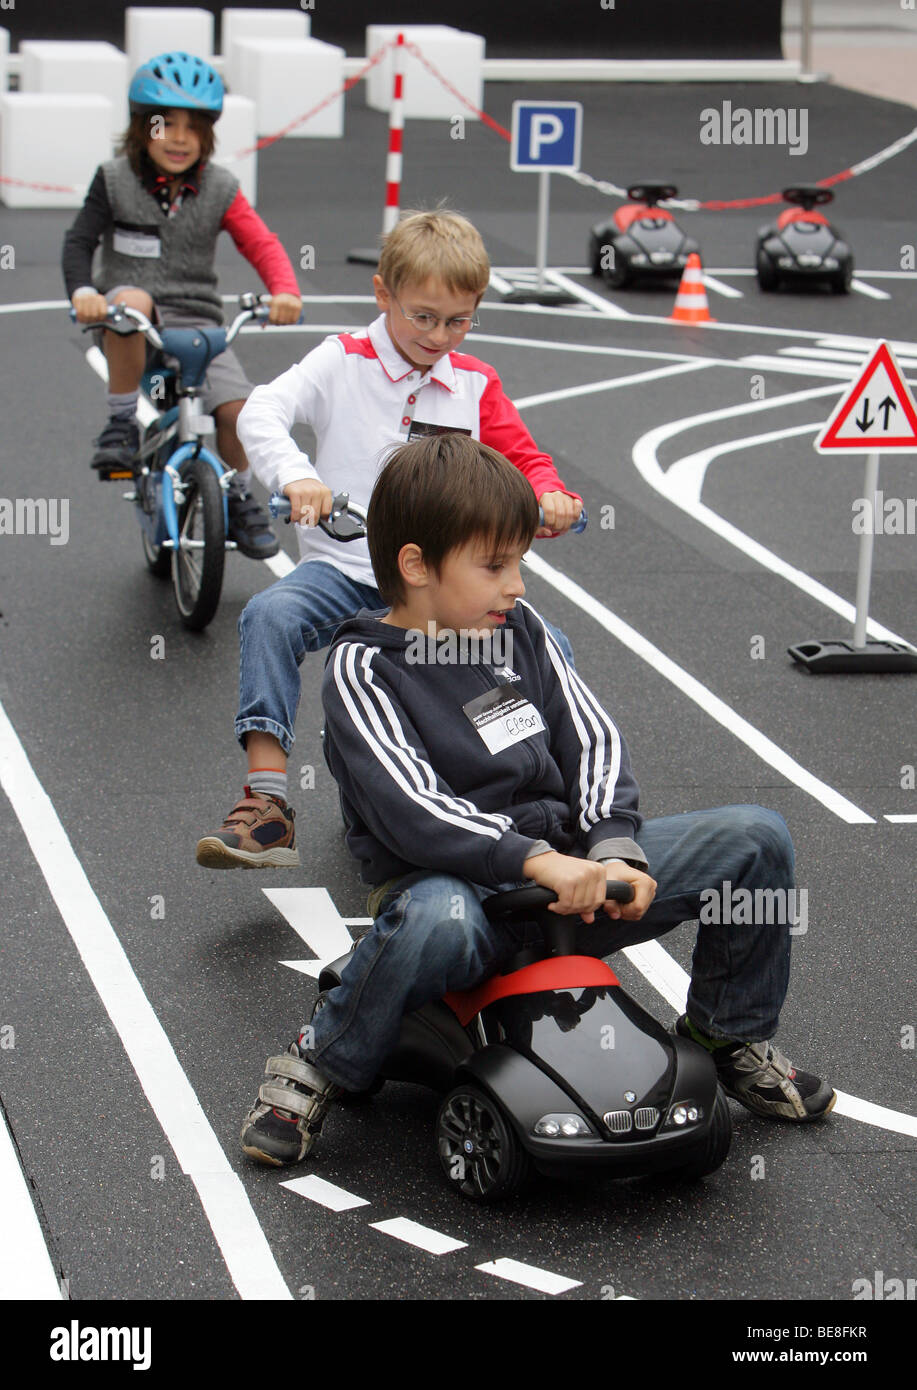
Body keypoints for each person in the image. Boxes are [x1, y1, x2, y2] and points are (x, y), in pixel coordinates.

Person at [239, 433, 836, 1167]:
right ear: (416, 565)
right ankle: (320, 1060)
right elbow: (412, 808)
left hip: (572, 884)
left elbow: (590, 738)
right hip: (464, 893)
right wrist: (534, 860)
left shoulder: (519, 631)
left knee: (755, 838)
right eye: (493, 566)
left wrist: (613, 843)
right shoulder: (363, 668)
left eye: (518, 562)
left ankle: (725, 1033)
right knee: (435, 917)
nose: (515, 584)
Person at [195, 208, 582, 870]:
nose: (438, 335)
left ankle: (550, 804)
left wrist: (550, 494)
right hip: (347, 570)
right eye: (423, 316)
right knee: (270, 616)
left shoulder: (474, 383)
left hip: (435, 590)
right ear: (383, 295)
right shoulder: (341, 361)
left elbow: (523, 455)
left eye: (457, 320)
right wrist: (298, 476)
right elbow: (263, 409)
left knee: (541, 653)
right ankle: (267, 807)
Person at [63, 50, 303, 559]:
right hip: (131, 322)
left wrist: (284, 291)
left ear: (208, 137)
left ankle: (238, 494)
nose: (178, 138)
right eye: (164, 124)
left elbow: (260, 242)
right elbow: (79, 242)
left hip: (197, 322)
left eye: (193, 129)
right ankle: (122, 420)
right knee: (130, 298)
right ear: (139, 128)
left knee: (239, 409)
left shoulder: (220, 188)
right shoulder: (113, 179)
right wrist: (84, 293)